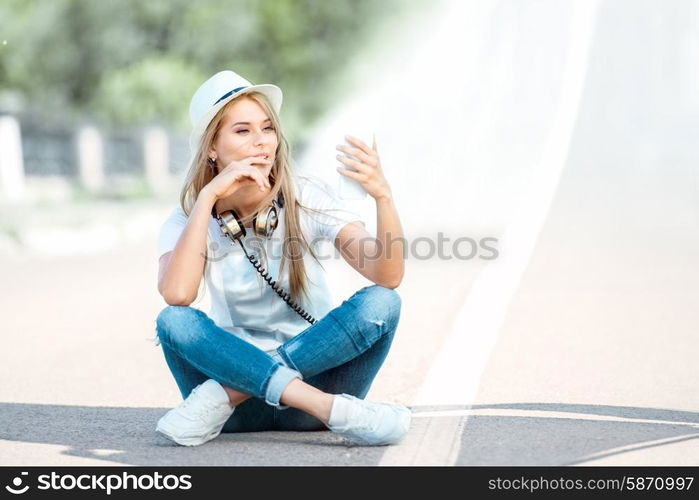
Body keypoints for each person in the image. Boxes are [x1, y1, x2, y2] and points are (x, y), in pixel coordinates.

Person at [154, 70, 409, 447]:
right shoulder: (187, 217)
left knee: (382, 302)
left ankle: (247, 390)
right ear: (211, 148)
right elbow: (177, 295)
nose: (262, 143)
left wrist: (383, 197)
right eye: (243, 131)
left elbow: (386, 275)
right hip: (244, 415)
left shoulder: (306, 196)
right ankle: (335, 411)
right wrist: (207, 200)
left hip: (260, 386)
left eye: (268, 128)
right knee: (173, 321)